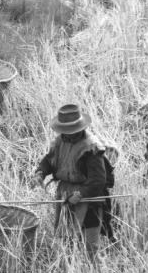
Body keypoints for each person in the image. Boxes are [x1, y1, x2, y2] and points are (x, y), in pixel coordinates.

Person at [33, 105, 114, 257]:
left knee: (89, 245)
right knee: (67, 239)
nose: (68, 134)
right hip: (66, 194)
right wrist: (40, 173)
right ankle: (70, 267)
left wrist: (80, 194)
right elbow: (49, 161)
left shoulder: (91, 148)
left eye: (71, 130)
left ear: (79, 127)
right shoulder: (60, 141)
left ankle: (92, 271)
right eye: (65, 131)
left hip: (89, 198)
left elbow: (98, 180)